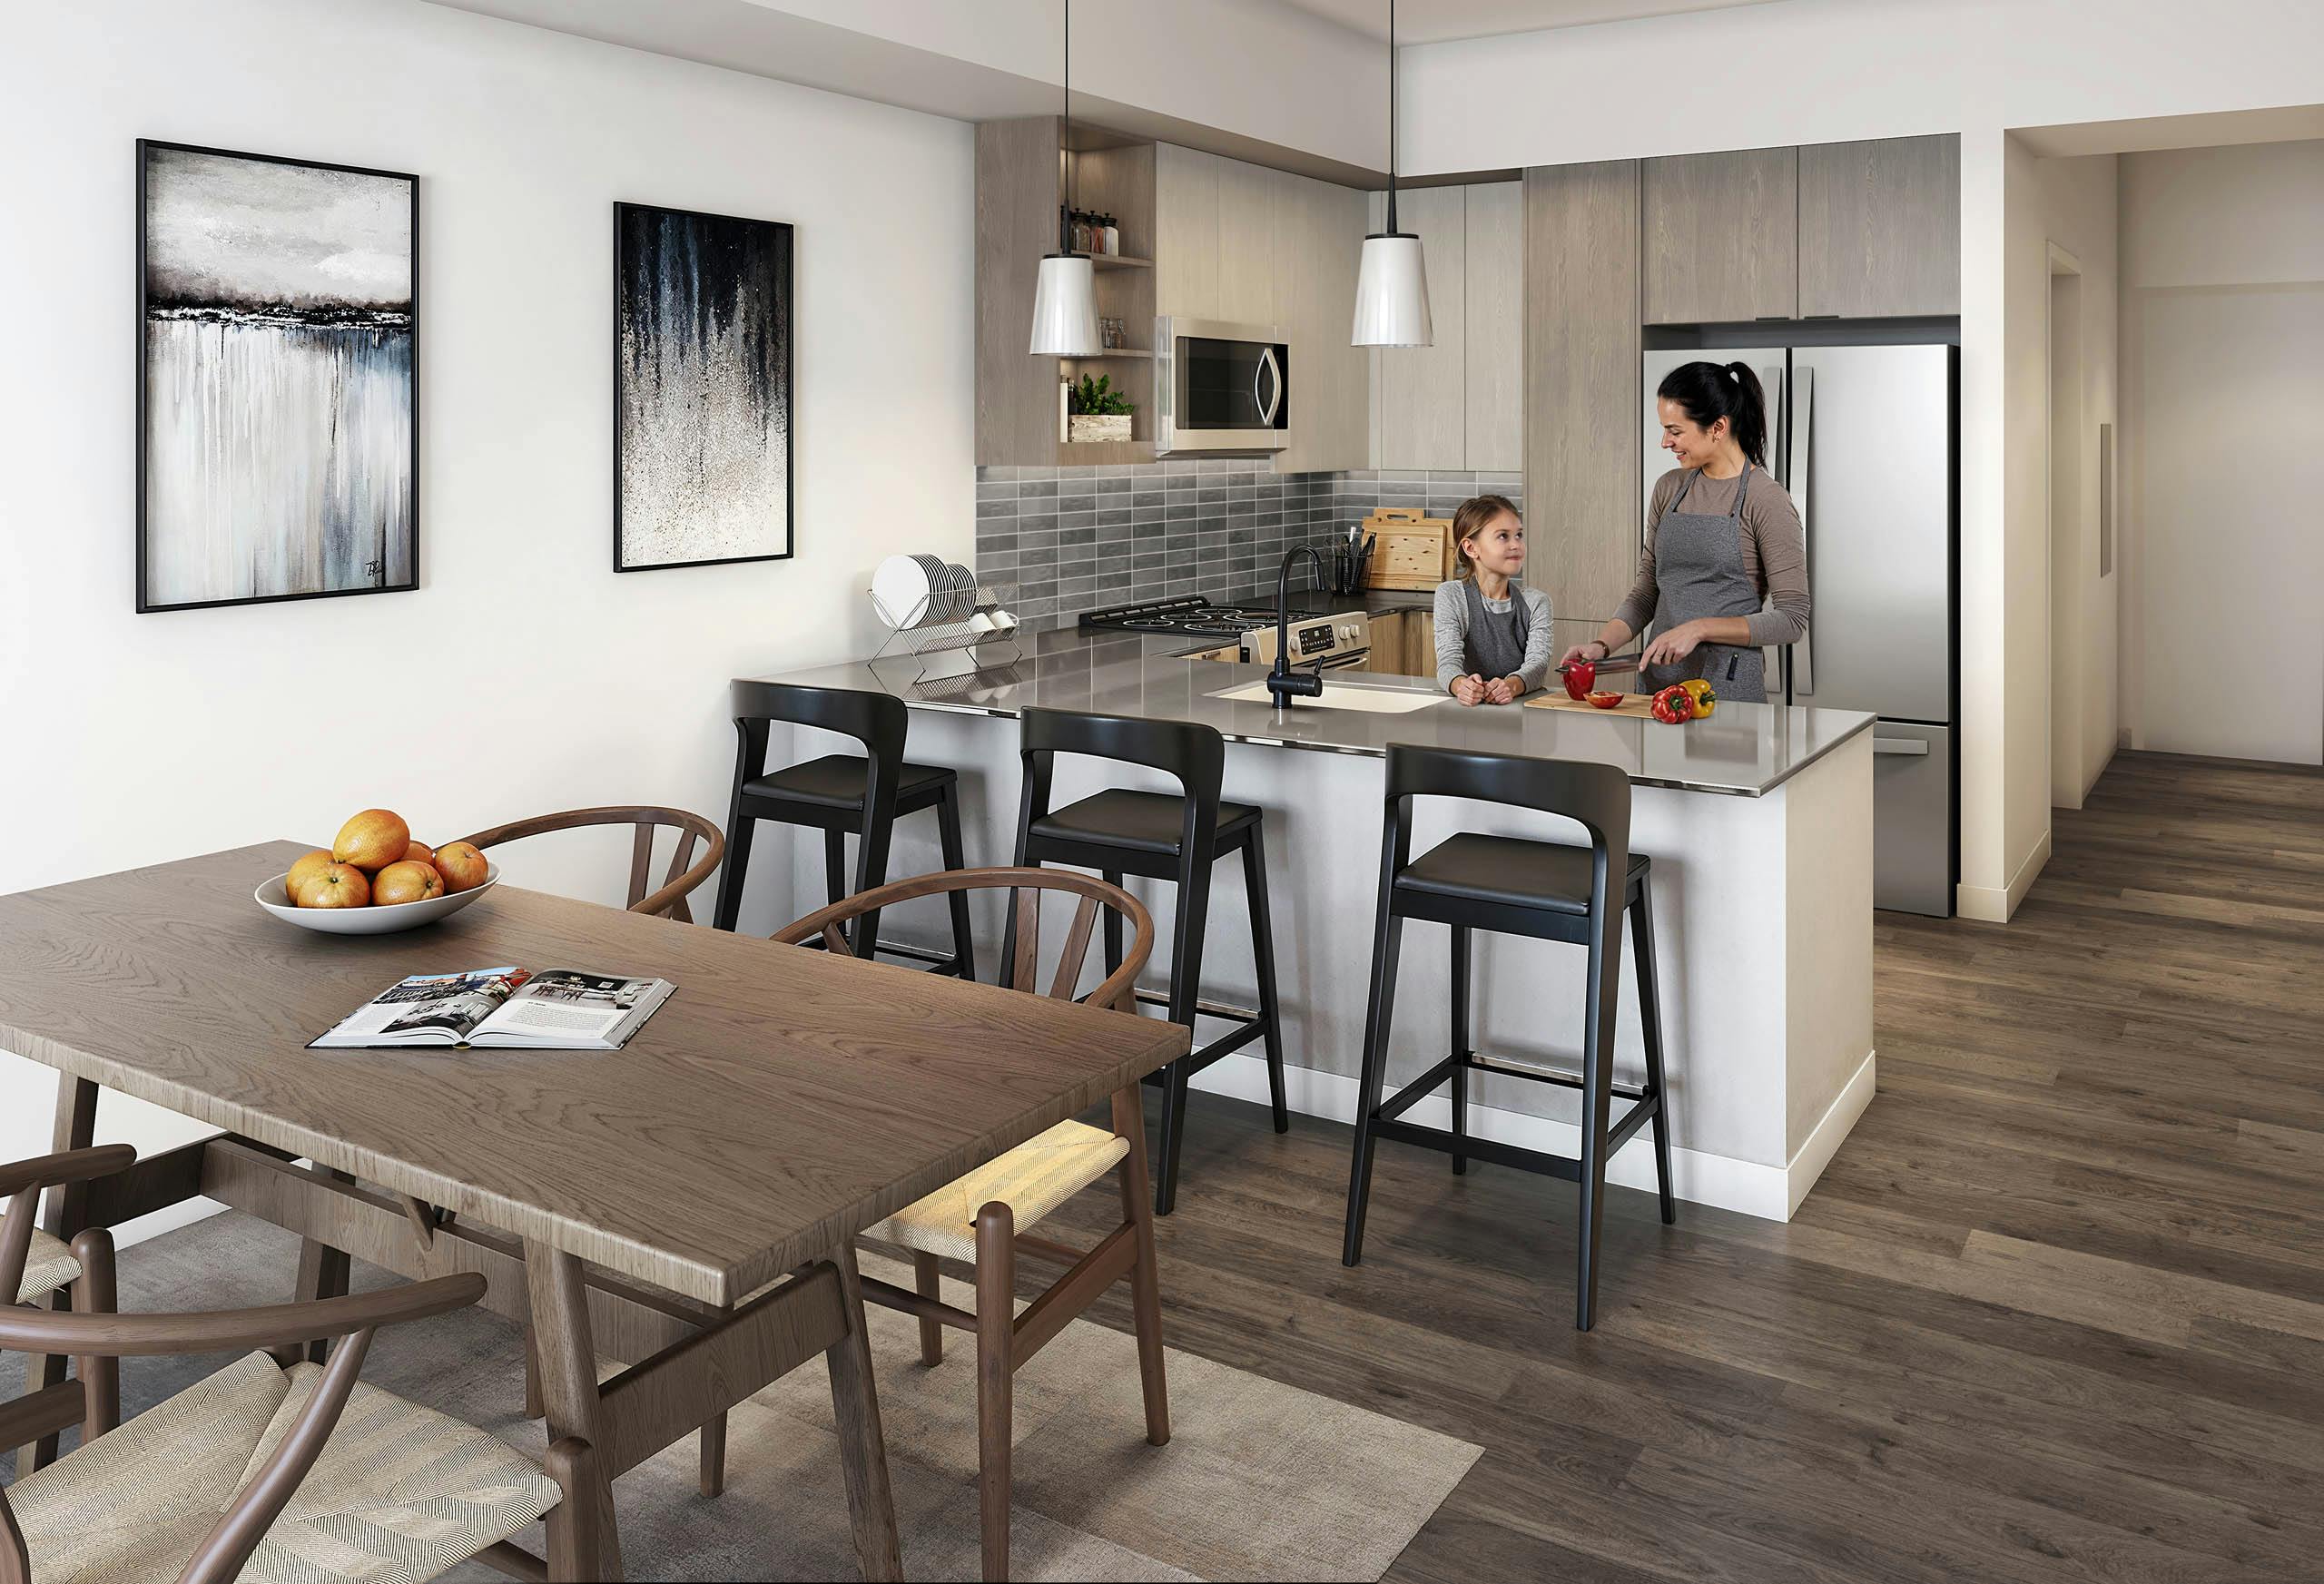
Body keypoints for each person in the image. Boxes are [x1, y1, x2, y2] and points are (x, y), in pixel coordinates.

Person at [1559, 361, 1809, 703]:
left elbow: (1792, 619)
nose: (1665, 442)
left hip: (1728, 692)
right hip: (1658, 688)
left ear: (1718, 427)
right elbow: (1647, 592)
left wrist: (1699, 629)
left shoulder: (1766, 500)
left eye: (1675, 431)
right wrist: (1601, 646)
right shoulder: (1669, 488)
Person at [1433, 494, 1552, 706]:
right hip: (1467, 713)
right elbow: (1447, 662)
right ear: (1471, 548)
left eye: (1519, 535)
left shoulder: (1537, 603)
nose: (1516, 544)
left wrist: (1512, 686)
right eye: (1503, 536)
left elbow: (1538, 665)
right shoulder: (1450, 596)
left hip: (1522, 714)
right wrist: (1461, 686)